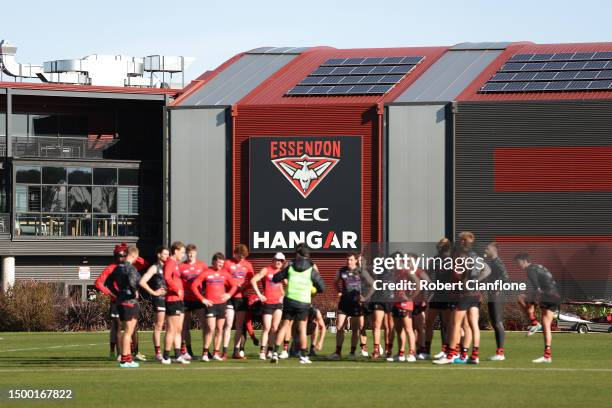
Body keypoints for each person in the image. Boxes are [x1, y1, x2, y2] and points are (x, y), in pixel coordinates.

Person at [434, 234, 490, 365]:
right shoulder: (476, 256)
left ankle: (450, 355)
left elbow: (461, 274)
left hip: (464, 294)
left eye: (463, 240)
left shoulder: (462, 257)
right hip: (475, 294)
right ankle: (472, 355)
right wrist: (475, 281)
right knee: (472, 325)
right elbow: (487, 270)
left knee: (455, 324)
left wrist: (466, 282)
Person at [270, 243, 325, 364]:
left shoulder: (290, 266)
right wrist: (312, 288)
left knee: (284, 326)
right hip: (303, 302)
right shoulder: (311, 269)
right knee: (302, 329)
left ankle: (275, 353)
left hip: (289, 300)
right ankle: (303, 356)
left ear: (298, 255)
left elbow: (275, 278)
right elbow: (322, 287)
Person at [95, 243, 147, 362]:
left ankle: (135, 352)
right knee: (118, 327)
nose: (121, 258)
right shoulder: (112, 267)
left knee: (133, 328)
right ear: (115, 256)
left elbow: (145, 263)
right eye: (119, 255)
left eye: (124, 255)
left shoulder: (129, 266)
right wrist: (111, 294)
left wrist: (132, 253)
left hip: (130, 300)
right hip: (117, 301)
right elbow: (98, 283)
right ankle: (120, 354)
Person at [191, 252, 237, 361]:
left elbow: (234, 285)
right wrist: (202, 299)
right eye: (219, 263)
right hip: (210, 305)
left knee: (220, 329)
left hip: (222, 304)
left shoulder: (225, 273)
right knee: (210, 328)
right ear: (214, 262)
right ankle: (205, 353)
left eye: (222, 263)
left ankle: (216, 352)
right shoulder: (206, 272)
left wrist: (229, 294)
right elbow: (194, 286)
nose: (221, 265)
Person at [515, 253, 561, 363]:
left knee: (520, 298)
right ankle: (547, 355)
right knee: (546, 325)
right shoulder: (537, 267)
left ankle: (534, 323)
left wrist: (533, 302)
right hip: (555, 295)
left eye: (518, 262)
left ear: (524, 260)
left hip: (547, 295)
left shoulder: (530, 269)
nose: (518, 265)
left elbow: (537, 288)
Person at [106, 246, 142, 368]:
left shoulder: (117, 268)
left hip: (121, 301)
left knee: (126, 331)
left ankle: (126, 358)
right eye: (136, 257)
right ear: (133, 255)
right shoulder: (130, 268)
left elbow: (109, 283)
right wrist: (133, 292)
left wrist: (117, 293)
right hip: (129, 301)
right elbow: (132, 283)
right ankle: (125, 359)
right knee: (128, 331)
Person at [328, 252, 365, 360]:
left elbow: (372, 284)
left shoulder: (361, 271)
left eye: (351, 259)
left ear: (356, 260)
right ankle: (337, 352)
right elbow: (334, 282)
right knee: (339, 327)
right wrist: (339, 291)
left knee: (355, 329)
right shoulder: (341, 270)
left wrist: (364, 296)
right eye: (347, 259)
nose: (348, 261)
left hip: (356, 304)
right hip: (344, 302)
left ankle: (352, 353)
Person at [251, 252, 286, 360]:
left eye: (281, 261)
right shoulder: (266, 270)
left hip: (278, 303)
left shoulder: (281, 272)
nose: (278, 262)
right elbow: (253, 280)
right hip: (268, 303)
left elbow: (286, 285)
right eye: (277, 260)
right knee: (266, 327)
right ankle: (262, 351)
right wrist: (259, 294)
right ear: (273, 260)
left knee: (275, 328)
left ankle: (270, 351)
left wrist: (283, 296)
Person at [223, 244, 256, 360]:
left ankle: (236, 352)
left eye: (244, 257)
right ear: (235, 253)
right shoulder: (227, 263)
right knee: (228, 324)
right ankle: (224, 352)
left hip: (241, 298)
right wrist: (230, 287)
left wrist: (244, 287)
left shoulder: (248, 264)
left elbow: (253, 280)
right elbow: (223, 278)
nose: (241, 259)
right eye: (240, 256)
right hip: (230, 297)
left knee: (239, 326)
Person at [139, 245, 169, 361]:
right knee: (159, 326)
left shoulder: (169, 267)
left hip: (170, 299)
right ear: (159, 255)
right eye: (165, 254)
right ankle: (158, 353)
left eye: (168, 254)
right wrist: (154, 292)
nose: (167, 256)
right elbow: (142, 282)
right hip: (160, 300)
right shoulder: (154, 267)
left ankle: (173, 351)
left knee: (171, 327)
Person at [424, 238, 453, 360]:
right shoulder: (434, 260)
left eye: (444, 245)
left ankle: (446, 350)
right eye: (440, 245)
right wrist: (430, 284)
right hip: (436, 295)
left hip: (448, 295)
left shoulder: (452, 260)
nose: (441, 247)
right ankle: (426, 350)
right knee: (429, 322)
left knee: (447, 323)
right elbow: (427, 273)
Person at [162, 241, 190, 364]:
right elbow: (167, 277)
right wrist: (176, 289)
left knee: (178, 329)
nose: (183, 255)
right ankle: (166, 356)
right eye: (182, 252)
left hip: (178, 300)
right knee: (171, 329)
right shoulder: (170, 262)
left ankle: (178, 355)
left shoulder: (176, 264)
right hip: (172, 300)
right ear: (176, 251)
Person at [180, 244, 208, 360]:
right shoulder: (181, 266)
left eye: (193, 253)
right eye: (189, 253)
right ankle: (188, 351)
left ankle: (206, 351)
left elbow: (208, 279)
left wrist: (206, 294)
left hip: (198, 299)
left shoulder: (202, 265)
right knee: (185, 327)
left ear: (196, 253)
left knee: (205, 325)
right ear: (186, 254)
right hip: (185, 300)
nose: (191, 255)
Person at [483, 242, 509, 361]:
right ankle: (499, 352)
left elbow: (505, 277)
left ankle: (500, 353)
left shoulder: (498, 262)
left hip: (496, 296)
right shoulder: (492, 263)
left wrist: (497, 290)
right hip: (492, 295)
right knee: (495, 322)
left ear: (494, 249)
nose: (485, 250)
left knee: (497, 322)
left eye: (487, 248)